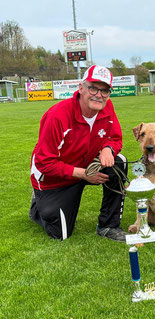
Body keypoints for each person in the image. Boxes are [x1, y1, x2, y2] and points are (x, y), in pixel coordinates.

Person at [29, 65, 128, 242]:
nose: (99, 94)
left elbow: (115, 138)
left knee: (118, 162)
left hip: (88, 164)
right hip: (55, 178)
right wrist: (83, 174)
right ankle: (37, 203)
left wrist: (108, 149)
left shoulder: (106, 107)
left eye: (105, 90)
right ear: (81, 88)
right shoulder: (57, 116)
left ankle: (108, 225)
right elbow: (44, 162)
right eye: (93, 88)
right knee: (61, 234)